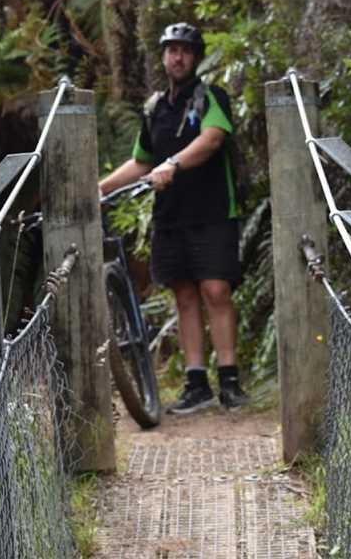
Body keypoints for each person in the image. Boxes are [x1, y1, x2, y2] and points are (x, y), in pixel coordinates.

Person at [98, 22, 249, 413]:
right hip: (170, 216)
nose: (177, 57)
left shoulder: (209, 97)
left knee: (215, 290)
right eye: (171, 50)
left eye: (184, 50)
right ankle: (196, 382)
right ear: (163, 56)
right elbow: (141, 161)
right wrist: (100, 188)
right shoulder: (154, 108)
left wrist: (172, 164)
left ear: (195, 57)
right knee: (183, 295)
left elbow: (213, 138)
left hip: (213, 210)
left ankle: (230, 380)